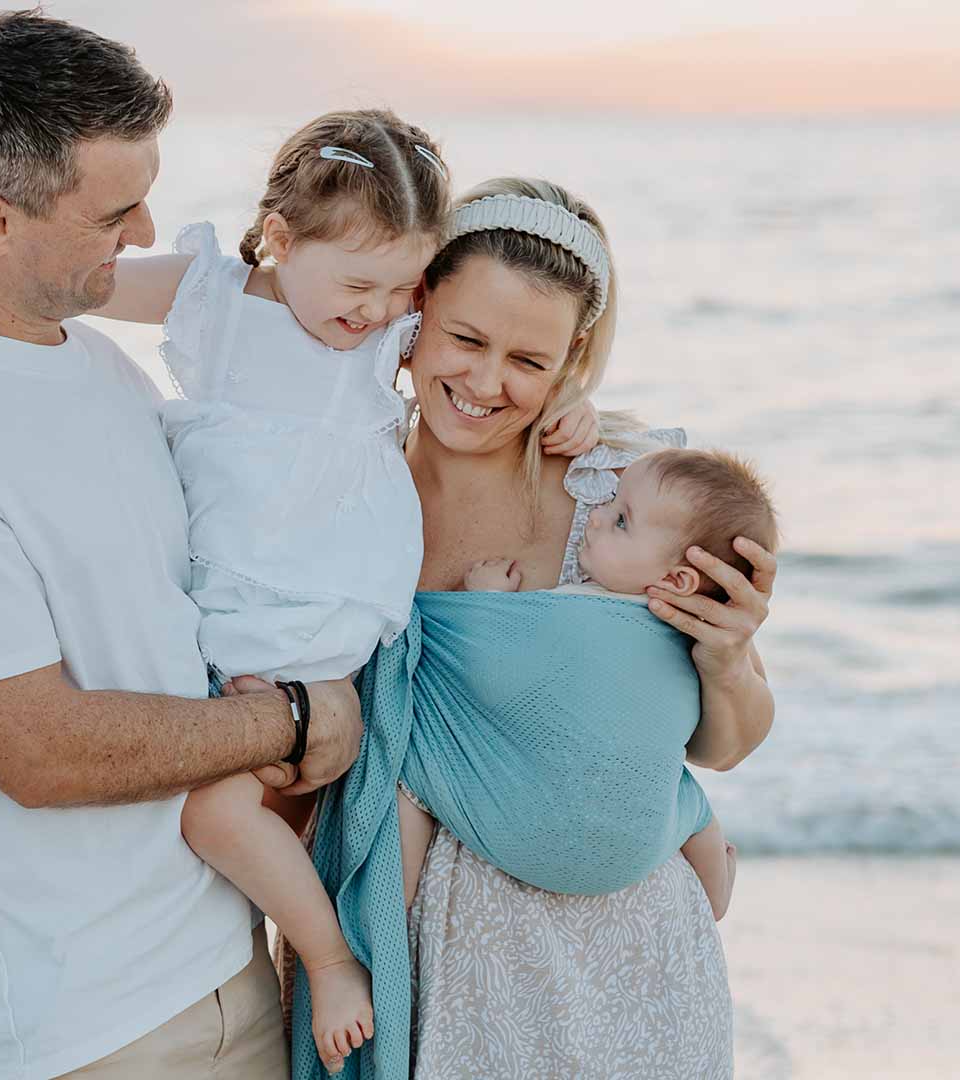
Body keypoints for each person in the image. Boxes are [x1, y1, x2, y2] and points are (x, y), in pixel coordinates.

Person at [0, 109, 607, 1074]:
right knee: (225, 814)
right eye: (362, 285)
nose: (380, 310)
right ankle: (331, 962)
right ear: (278, 239)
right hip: (241, 625)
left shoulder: (379, 322)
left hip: (331, 615)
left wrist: (570, 398)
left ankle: (380, 978)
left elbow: (485, 362)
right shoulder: (213, 297)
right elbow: (76, 282)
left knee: (328, 815)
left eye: (404, 287)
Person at [0, 12, 363, 1080]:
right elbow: (39, 749)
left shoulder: (102, 368)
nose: (147, 231)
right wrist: (287, 717)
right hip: (80, 1025)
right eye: (113, 209)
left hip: (227, 954)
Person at [277, 177, 776, 1079]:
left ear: (572, 357)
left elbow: (721, 747)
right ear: (418, 303)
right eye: (465, 339)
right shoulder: (340, 481)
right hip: (414, 940)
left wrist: (730, 658)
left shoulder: (623, 493)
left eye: (527, 361)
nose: (484, 383)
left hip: (623, 950)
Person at [461, 446, 781, 921]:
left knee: (687, 797)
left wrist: (488, 605)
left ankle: (712, 901)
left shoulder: (685, 621)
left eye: (620, 520)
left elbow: (506, 658)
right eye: (611, 503)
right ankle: (714, 890)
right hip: (559, 809)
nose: (596, 515)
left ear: (678, 579)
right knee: (690, 809)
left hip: (611, 820)